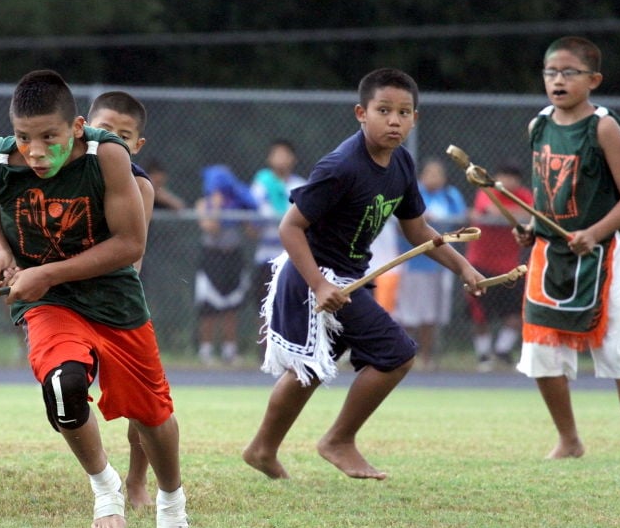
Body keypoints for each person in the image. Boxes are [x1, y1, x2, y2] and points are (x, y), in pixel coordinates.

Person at [0, 70, 188, 528]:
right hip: (50, 303)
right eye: (25, 138)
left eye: (49, 138)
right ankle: (105, 488)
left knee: (151, 414)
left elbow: (129, 244)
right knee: (63, 386)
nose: (36, 151)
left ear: (76, 128)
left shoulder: (107, 157)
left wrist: (46, 272)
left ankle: (171, 501)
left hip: (113, 298)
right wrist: (0, 249)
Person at [244, 68, 484, 481]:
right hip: (312, 278)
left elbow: (417, 231)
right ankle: (338, 440)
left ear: (415, 119)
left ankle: (262, 450)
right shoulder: (341, 167)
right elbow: (290, 227)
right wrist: (319, 283)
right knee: (397, 354)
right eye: (384, 110)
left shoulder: (403, 164)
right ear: (361, 113)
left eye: (404, 112)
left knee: (312, 369)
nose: (394, 120)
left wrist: (463, 265)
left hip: (350, 278)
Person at [514, 36, 620, 462]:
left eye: (569, 72)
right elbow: (543, 194)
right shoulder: (538, 125)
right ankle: (569, 440)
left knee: (615, 349)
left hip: (599, 256)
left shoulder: (604, 127)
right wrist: (532, 225)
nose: (558, 80)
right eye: (551, 72)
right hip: (548, 255)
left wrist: (594, 232)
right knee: (541, 352)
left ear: (593, 80)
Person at [87, 90, 158, 509]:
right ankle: (103, 477)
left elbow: (131, 255)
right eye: (104, 130)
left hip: (116, 301)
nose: (112, 140)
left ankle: (136, 480)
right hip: (65, 301)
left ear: (137, 145)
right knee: (67, 387)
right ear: (83, 128)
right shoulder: (63, 169)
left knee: (143, 402)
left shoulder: (140, 186)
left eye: (123, 135)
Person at [394, 158, 467, 371]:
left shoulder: (451, 196)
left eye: (438, 174)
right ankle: (405, 356)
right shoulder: (414, 194)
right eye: (429, 173)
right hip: (413, 265)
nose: (433, 178)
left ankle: (427, 358)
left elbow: (461, 222)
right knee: (408, 314)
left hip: (439, 266)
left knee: (431, 315)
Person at [467, 165, 531, 372]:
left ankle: (502, 351)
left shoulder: (524, 195)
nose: (509, 182)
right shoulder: (487, 192)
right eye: (505, 176)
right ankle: (483, 356)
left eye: (513, 177)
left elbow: (531, 216)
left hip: (509, 268)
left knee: (515, 314)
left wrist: (511, 215)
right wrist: (514, 216)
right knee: (480, 314)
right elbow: (490, 211)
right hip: (480, 265)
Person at [194, 164, 259, 366]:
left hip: (233, 257)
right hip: (211, 258)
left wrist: (244, 208)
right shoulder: (203, 203)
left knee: (232, 305)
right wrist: (217, 205)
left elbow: (252, 233)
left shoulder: (236, 203)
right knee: (209, 306)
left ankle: (229, 351)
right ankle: (206, 351)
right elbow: (210, 227)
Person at [250, 139, 307, 305]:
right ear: (269, 159)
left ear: (294, 159)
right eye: (277, 154)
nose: (281, 158)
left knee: (293, 306)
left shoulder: (301, 186)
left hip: (293, 259)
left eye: (285, 154)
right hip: (266, 257)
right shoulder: (260, 184)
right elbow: (253, 223)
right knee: (265, 307)